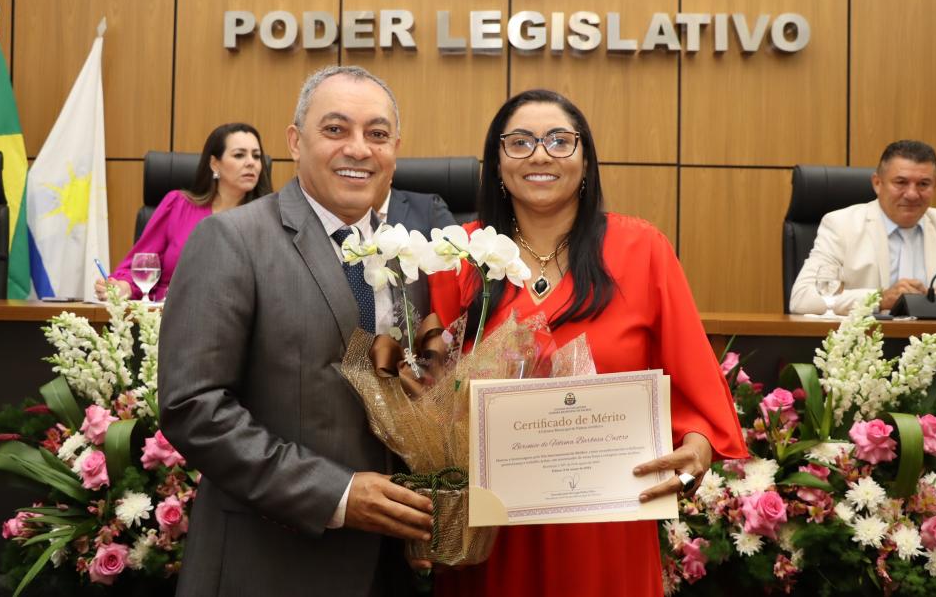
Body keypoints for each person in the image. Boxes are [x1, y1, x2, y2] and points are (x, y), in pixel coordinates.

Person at [427, 89, 747, 597]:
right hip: (491, 533)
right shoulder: (458, 257)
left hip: (607, 527)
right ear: (497, 164)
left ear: (585, 160)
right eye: (520, 142)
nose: (540, 154)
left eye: (560, 140)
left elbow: (695, 383)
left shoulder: (642, 250)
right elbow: (428, 386)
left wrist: (698, 446)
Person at [158, 65, 434, 596]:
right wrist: (336, 494)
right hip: (269, 562)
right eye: (335, 129)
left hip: (389, 566)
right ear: (294, 141)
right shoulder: (231, 240)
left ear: (395, 150)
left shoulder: (408, 257)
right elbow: (193, 407)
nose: (359, 148)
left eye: (377, 134)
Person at [95, 122, 272, 301]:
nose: (251, 163)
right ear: (214, 164)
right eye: (239, 155)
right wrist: (123, 287)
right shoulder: (177, 206)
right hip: (169, 311)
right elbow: (141, 265)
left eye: (256, 156)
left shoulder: (269, 218)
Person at [789, 140, 936, 315]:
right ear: (877, 183)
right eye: (901, 182)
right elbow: (802, 298)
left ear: (935, 186)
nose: (912, 194)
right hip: (867, 332)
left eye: (923, 184)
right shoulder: (842, 226)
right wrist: (880, 299)